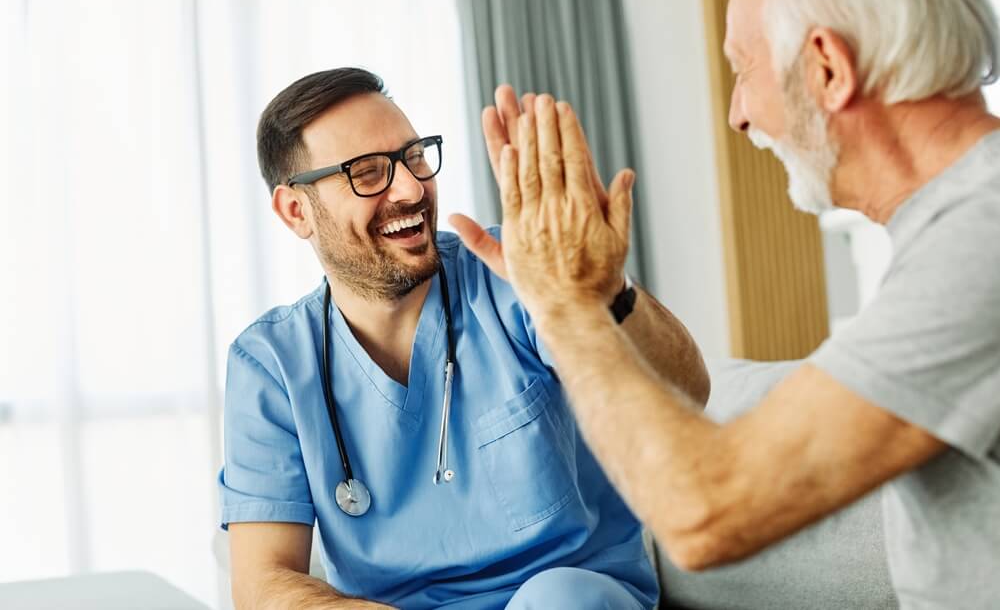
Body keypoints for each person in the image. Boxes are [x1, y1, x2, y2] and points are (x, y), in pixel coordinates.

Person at [449, 0, 1000, 608]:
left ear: (828, 66)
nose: (739, 112)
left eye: (744, 69)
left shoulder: (978, 237)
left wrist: (563, 302)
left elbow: (704, 510)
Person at [218, 67, 709, 609]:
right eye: (368, 172)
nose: (409, 188)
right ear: (296, 210)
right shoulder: (272, 364)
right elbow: (264, 584)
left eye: (414, 156)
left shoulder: (513, 274)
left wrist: (605, 290)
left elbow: (685, 393)